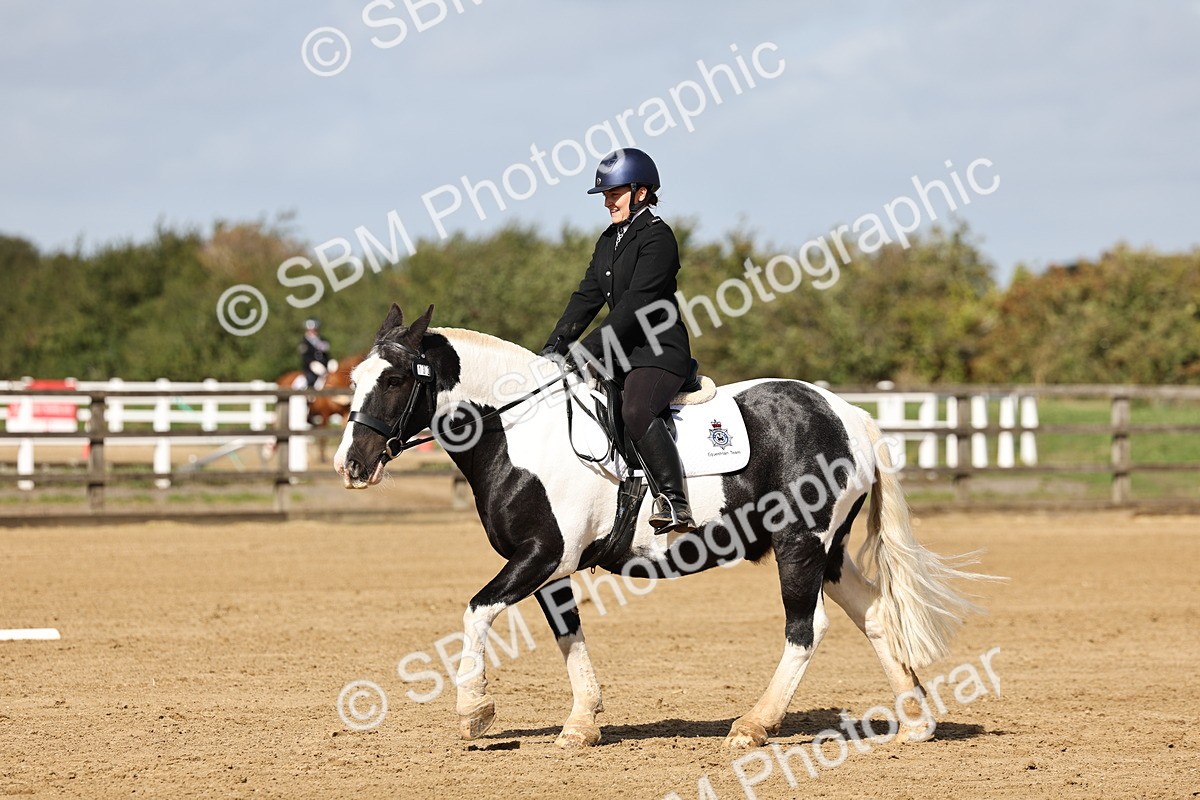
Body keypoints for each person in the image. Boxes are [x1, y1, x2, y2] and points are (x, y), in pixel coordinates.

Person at [541, 148, 696, 533]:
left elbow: (635, 305)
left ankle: (675, 501)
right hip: (620, 355)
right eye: (606, 195)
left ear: (641, 192)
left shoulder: (658, 238)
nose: (608, 201)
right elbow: (587, 297)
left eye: (615, 193)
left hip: (658, 354)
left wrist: (590, 349)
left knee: (635, 410)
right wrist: (554, 347)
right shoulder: (609, 239)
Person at [299, 318, 331, 389]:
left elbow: (326, 353)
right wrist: (312, 364)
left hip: (324, 366)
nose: (313, 332)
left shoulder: (322, 340)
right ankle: (310, 395)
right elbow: (305, 357)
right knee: (310, 379)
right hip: (311, 368)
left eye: (314, 329)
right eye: (311, 330)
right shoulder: (304, 342)